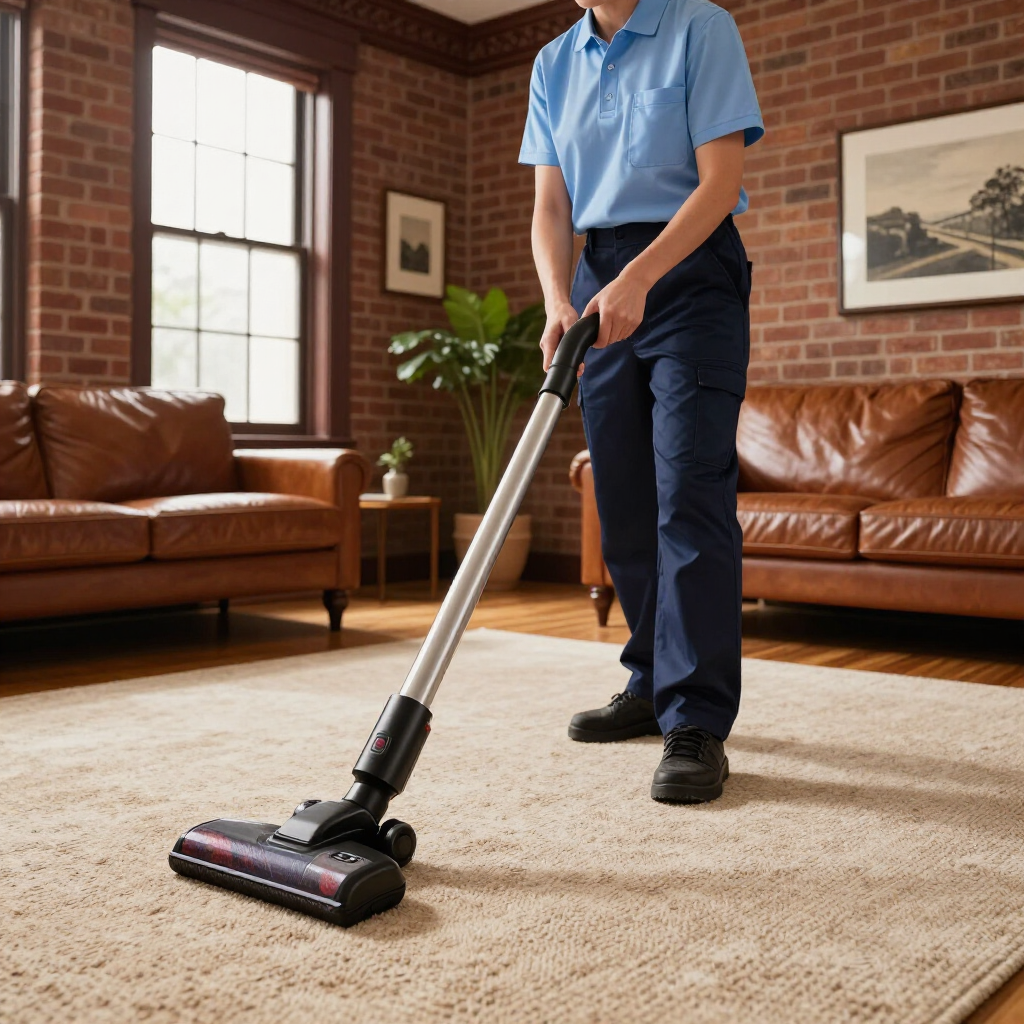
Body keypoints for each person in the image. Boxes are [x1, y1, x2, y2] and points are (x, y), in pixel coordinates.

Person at [519, 0, 763, 803]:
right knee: (621, 495)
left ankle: (695, 718)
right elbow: (552, 206)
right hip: (598, 278)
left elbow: (720, 182)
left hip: (689, 272)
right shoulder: (554, 63)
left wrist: (641, 279)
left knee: (688, 492)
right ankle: (652, 678)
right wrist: (560, 299)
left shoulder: (700, 28)